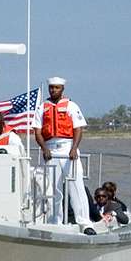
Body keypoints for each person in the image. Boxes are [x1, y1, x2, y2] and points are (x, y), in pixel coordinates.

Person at [34, 76, 94, 233]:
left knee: (76, 185)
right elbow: (37, 131)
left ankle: (85, 222)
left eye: (57, 87)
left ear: (62, 89)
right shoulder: (42, 107)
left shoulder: (71, 106)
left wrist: (74, 148)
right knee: (53, 189)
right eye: (51, 87)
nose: (53, 90)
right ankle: (55, 222)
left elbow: (78, 128)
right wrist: (44, 148)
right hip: (50, 149)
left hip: (68, 149)